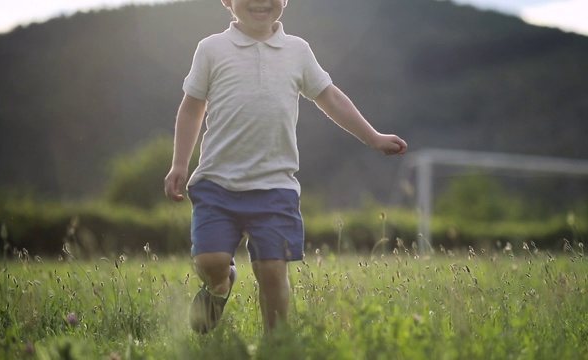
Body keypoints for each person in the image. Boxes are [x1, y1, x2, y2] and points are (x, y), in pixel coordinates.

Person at [164, 0, 407, 334]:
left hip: (275, 185)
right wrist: (180, 162)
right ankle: (219, 286)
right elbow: (192, 108)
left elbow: (330, 98)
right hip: (217, 183)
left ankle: (276, 344)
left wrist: (374, 137)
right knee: (211, 262)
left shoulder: (297, 51)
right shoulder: (211, 49)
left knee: (272, 269)